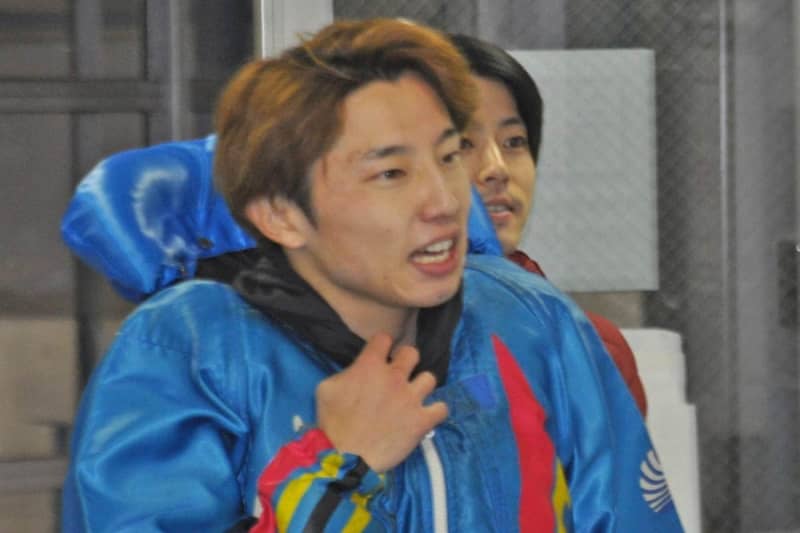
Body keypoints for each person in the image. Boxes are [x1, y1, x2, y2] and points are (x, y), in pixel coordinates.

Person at [62, 18, 682, 532]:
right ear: (281, 214)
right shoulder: (190, 352)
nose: (444, 200)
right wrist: (339, 469)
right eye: (391, 173)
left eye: (448, 156)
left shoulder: (531, 321)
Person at [450, 34, 648, 416]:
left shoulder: (591, 354)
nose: (497, 169)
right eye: (462, 144)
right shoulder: (359, 344)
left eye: (514, 142)